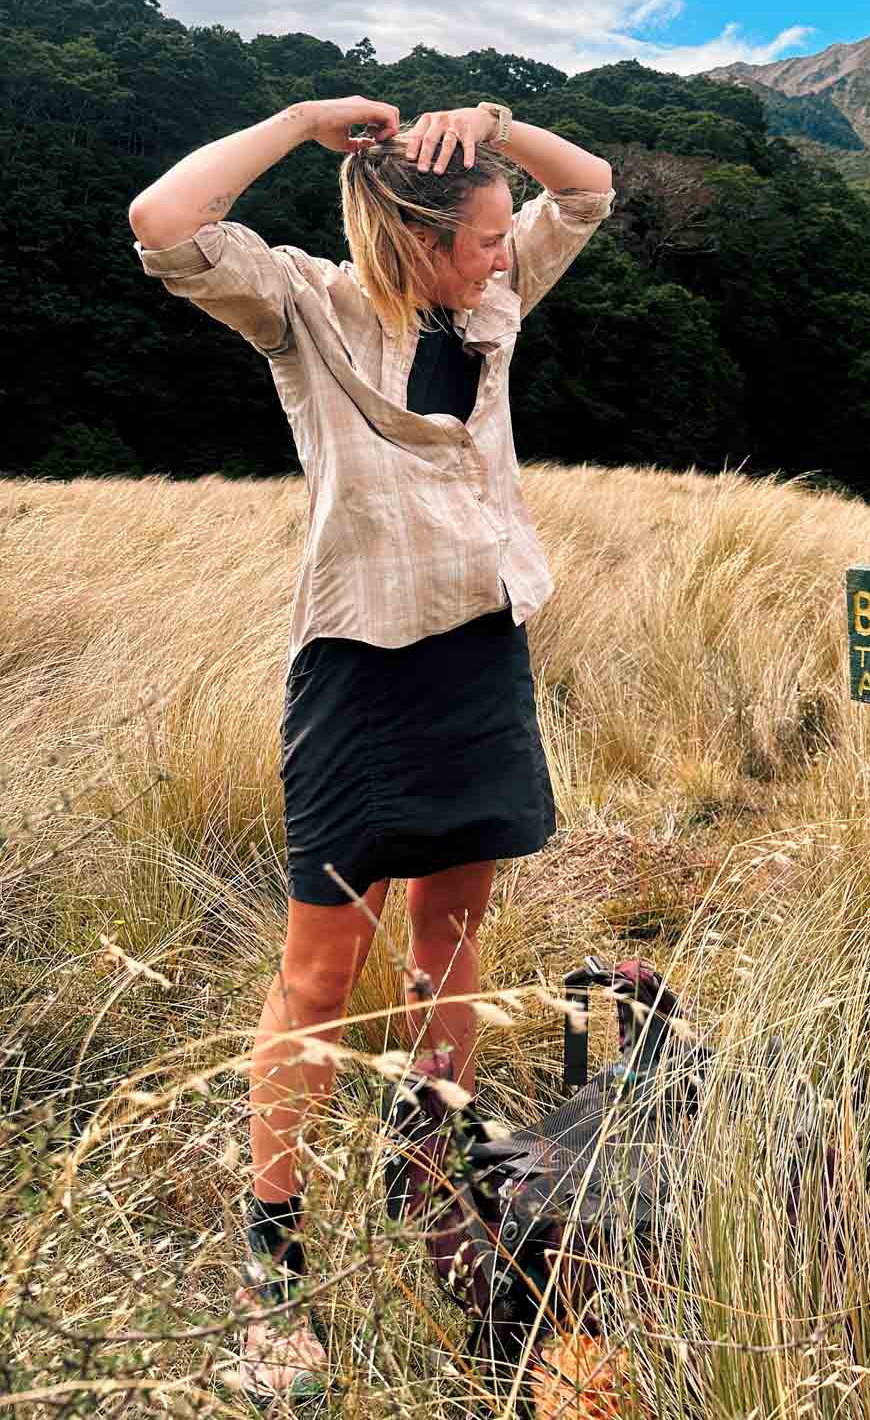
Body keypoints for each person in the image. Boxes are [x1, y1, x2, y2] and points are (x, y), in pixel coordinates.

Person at [128, 95, 614, 1401]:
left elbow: (588, 191)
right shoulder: (310, 310)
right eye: (482, 238)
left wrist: (500, 126)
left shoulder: (493, 303)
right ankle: (274, 1268)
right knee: (319, 976)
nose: (503, 254)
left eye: (504, 237)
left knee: (452, 937)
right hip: (359, 669)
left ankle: (430, 1166)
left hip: (480, 658)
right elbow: (165, 223)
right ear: (416, 240)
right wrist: (298, 122)